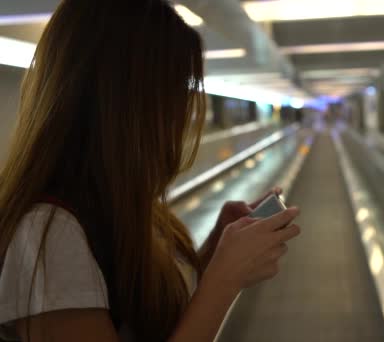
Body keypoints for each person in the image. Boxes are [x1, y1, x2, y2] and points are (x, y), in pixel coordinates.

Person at [0, 0, 301, 341]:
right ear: (132, 104)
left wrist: (214, 255)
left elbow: (150, 320)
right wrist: (223, 282)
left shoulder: (122, 204)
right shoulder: (49, 232)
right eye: (174, 97)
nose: (182, 117)